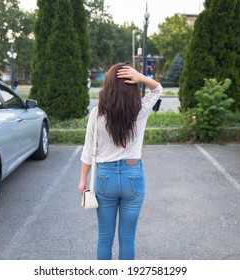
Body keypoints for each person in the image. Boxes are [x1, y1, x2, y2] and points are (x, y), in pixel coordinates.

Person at [79, 62, 162, 260]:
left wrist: (83, 179)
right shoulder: (139, 109)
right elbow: (157, 89)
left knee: (104, 238)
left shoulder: (97, 113)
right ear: (132, 85)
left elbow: (89, 148)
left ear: (107, 85)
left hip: (104, 178)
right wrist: (140, 77)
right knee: (127, 239)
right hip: (132, 176)